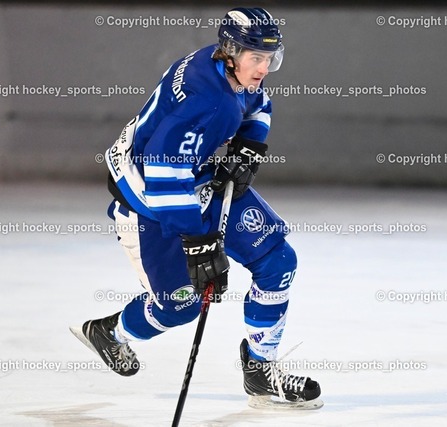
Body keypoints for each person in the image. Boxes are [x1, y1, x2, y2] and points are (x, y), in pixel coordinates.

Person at [71, 7, 321, 407]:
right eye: (256, 58)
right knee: (180, 305)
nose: (264, 68)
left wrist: (250, 142)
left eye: (270, 58)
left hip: (197, 181)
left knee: (278, 261)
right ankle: (111, 333)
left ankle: (260, 369)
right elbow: (162, 169)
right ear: (231, 50)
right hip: (148, 203)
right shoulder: (208, 101)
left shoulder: (226, 64)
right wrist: (200, 242)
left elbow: (257, 103)